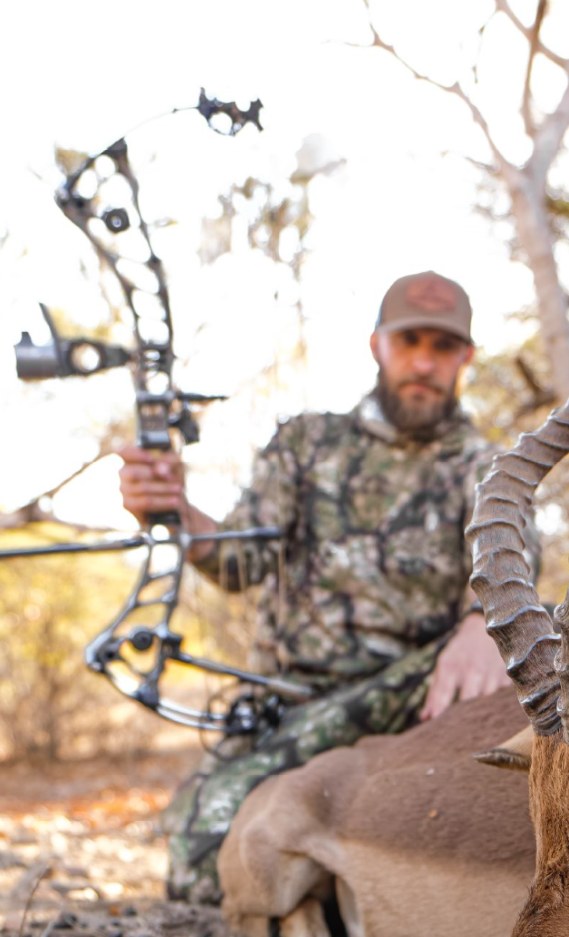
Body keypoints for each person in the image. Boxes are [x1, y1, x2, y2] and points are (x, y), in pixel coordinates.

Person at [117, 271, 527, 903]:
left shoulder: (488, 467)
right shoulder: (306, 442)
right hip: (289, 706)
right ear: (376, 346)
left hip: (411, 705)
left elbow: (513, 564)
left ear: (465, 358)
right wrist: (173, 511)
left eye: (443, 347)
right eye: (409, 341)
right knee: (194, 856)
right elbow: (238, 563)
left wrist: (481, 625)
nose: (423, 361)